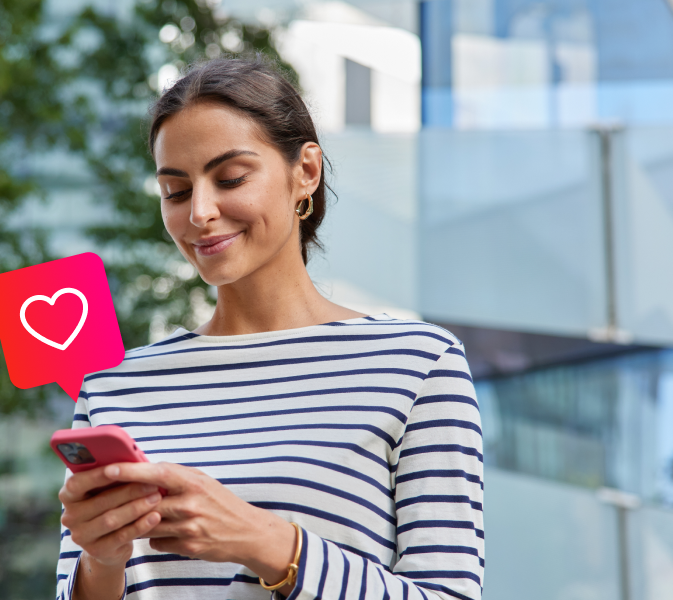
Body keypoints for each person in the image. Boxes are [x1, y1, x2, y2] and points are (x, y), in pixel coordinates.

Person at [56, 56, 484, 600]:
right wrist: (102, 561)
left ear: (306, 170)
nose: (201, 213)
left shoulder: (418, 365)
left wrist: (266, 542)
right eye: (176, 191)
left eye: (230, 177)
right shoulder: (114, 386)